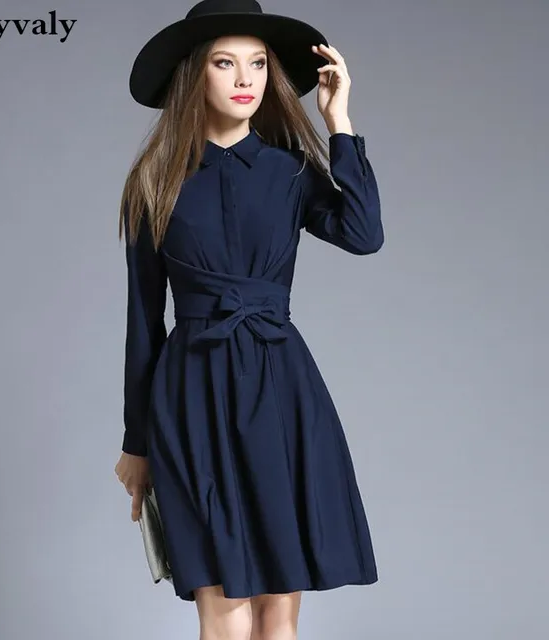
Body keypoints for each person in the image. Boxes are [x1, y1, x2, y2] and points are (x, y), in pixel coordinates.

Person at [114, 0, 384, 637]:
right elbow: (143, 320)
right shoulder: (156, 181)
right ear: (194, 74)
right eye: (225, 63)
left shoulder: (291, 171)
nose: (245, 78)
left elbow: (364, 233)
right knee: (223, 611)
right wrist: (136, 443)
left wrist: (339, 123)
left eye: (258, 64)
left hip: (280, 389)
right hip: (192, 397)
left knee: (279, 608)